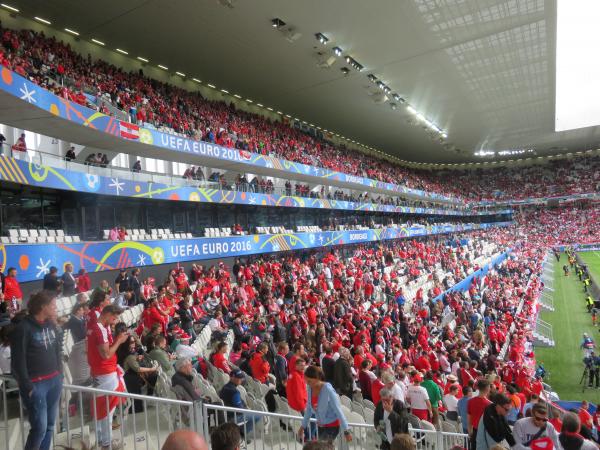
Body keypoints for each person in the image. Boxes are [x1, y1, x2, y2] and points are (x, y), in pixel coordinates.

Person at [10, 291, 63, 450]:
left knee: (50, 426)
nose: (56, 308)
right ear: (42, 307)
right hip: (36, 386)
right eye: (53, 305)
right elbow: (17, 361)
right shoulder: (23, 329)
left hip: (54, 381)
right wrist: (28, 387)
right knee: (39, 428)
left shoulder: (50, 324)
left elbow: (56, 349)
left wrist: (60, 374)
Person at [86, 304, 128, 450]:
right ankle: (106, 444)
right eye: (114, 317)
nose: (115, 320)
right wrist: (119, 341)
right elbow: (106, 355)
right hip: (106, 374)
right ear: (108, 314)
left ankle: (102, 440)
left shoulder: (96, 326)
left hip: (101, 372)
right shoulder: (99, 329)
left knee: (101, 409)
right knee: (107, 412)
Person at [298, 365, 352, 444]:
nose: (308, 384)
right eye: (306, 382)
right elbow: (309, 409)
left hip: (332, 426)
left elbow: (338, 411)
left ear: (317, 378)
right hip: (320, 425)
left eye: (309, 381)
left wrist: (346, 431)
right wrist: (302, 427)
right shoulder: (310, 389)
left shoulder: (328, 390)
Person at [220, 369, 262, 440]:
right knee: (258, 415)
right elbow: (239, 410)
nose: (241, 380)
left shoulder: (224, 387)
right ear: (232, 377)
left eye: (241, 378)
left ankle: (239, 432)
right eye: (239, 378)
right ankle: (241, 434)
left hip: (226, 414)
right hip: (232, 417)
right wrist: (247, 410)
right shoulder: (234, 392)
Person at [468, 379, 491, 450]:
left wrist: (470, 433)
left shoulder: (470, 401)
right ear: (487, 389)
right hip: (485, 434)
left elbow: (469, 420)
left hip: (474, 432)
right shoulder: (490, 404)